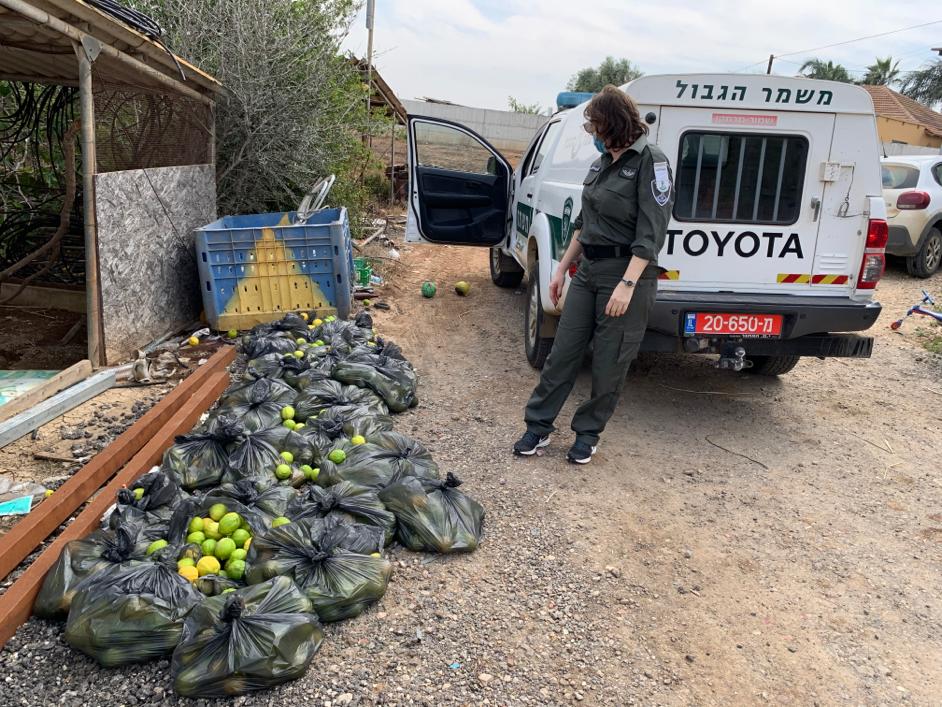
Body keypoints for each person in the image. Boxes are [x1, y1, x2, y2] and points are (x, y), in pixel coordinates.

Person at [513, 85, 674, 464]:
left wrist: (627, 285)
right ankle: (538, 426)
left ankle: (588, 434)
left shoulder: (651, 162)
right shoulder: (601, 163)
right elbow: (585, 224)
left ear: (614, 122)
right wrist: (560, 269)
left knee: (608, 363)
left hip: (627, 274)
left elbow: (651, 233)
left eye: (596, 126)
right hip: (588, 271)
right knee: (562, 354)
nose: (593, 134)